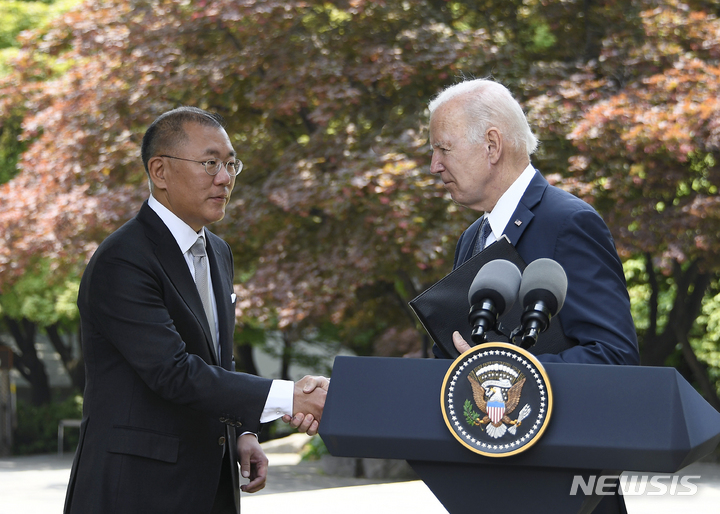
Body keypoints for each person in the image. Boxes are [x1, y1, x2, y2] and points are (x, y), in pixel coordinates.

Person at [64, 107, 327, 514]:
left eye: (230, 163)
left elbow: (217, 357)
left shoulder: (218, 251)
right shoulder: (123, 259)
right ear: (160, 171)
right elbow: (173, 371)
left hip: (212, 485)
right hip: (137, 490)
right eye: (209, 163)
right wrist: (289, 397)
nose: (225, 178)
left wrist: (244, 431)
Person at [427, 79, 639, 512]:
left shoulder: (569, 222)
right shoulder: (473, 238)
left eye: (443, 149)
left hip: (567, 491)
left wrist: (505, 367)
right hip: (492, 485)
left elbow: (615, 357)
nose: (434, 165)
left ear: (492, 145)